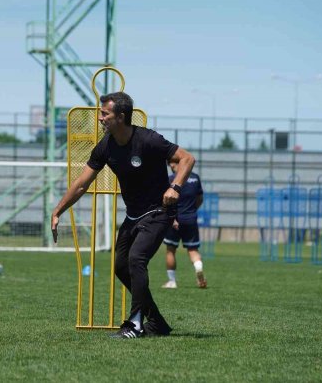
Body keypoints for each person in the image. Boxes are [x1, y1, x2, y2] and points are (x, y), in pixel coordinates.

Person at [51, 92, 195, 339]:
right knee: (121, 267)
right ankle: (157, 322)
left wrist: (175, 187)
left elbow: (187, 159)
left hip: (159, 212)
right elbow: (82, 183)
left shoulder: (148, 140)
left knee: (136, 259)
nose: (100, 118)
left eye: (104, 113)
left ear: (121, 116)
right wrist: (58, 211)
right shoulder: (105, 146)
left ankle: (135, 324)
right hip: (133, 216)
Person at [161, 162, 207, 289]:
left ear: (177, 164)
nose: (170, 165)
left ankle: (172, 281)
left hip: (174, 219)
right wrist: (192, 210)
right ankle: (198, 268)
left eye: (171, 163)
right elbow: (200, 199)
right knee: (193, 250)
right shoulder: (195, 178)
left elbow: (166, 200)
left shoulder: (171, 179)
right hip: (191, 218)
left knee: (170, 250)